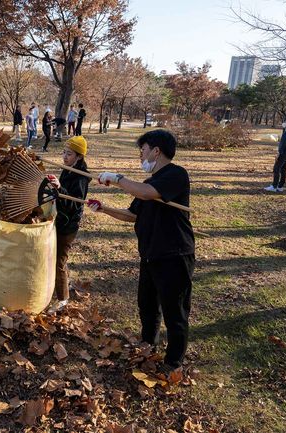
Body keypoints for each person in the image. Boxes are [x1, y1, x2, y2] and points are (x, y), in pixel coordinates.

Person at [89, 129, 194, 373]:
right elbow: (132, 215)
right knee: (147, 305)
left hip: (174, 255)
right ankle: (148, 345)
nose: (140, 155)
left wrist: (117, 178)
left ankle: (173, 363)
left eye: (143, 150)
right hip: (150, 254)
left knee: (174, 311)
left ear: (156, 151)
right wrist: (104, 208)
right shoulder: (146, 184)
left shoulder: (176, 174)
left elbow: (148, 194)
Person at [46, 136, 90, 313]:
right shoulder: (68, 169)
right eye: (64, 152)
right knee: (56, 258)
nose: (64, 156)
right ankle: (58, 288)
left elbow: (75, 203)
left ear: (79, 156)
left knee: (59, 261)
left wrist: (59, 189)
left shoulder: (81, 177)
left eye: (69, 154)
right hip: (60, 219)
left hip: (69, 225)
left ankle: (63, 299)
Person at [264, 117, 286, 192]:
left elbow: (283, 144)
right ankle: (280, 186)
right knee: (283, 169)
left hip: (284, 153)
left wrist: (279, 153)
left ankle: (274, 186)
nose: (284, 123)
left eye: (285, 121)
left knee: (276, 169)